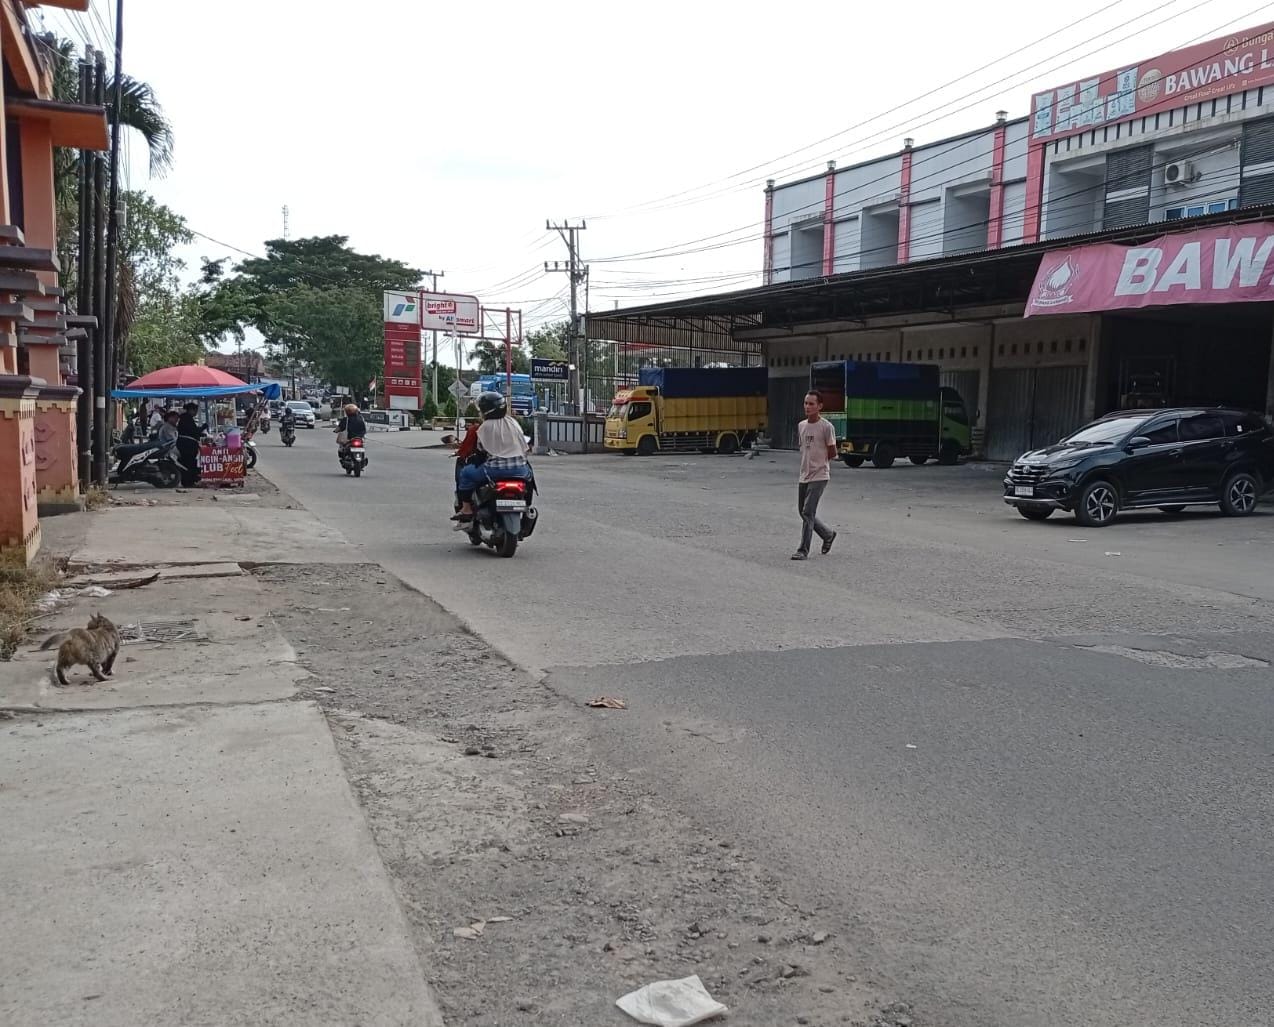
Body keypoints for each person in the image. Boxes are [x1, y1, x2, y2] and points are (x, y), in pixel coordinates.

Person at [452, 392, 530, 522]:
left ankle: (466, 509)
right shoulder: (513, 422)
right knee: (530, 478)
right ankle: (527, 505)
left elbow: (481, 450)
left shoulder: (484, 427)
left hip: (494, 471)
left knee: (465, 473)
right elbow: (524, 443)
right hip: (520, 470)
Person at [792, 390, 837, 561]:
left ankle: (803, 550)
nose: (808, 407)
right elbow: (803, 448)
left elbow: (832, 452)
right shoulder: (802, 426)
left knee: (808, 512)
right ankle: (828, 535)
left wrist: (819, 463)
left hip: (820, 475)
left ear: (820, 406)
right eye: (806, 403)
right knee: (802, 511)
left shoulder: (826, 427)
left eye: (811, 404)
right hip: (804, 475)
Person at [176, 403, 203, 487]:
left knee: (189, 463)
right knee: (188, 463)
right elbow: (193, 431)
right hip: (186, 445)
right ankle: (188, 482)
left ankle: (190, 480)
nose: (195, 413)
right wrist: (202, 428)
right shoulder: (186, 418)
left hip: (187, 444)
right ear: (191, 410)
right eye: (195, 411)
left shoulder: (186, 418)